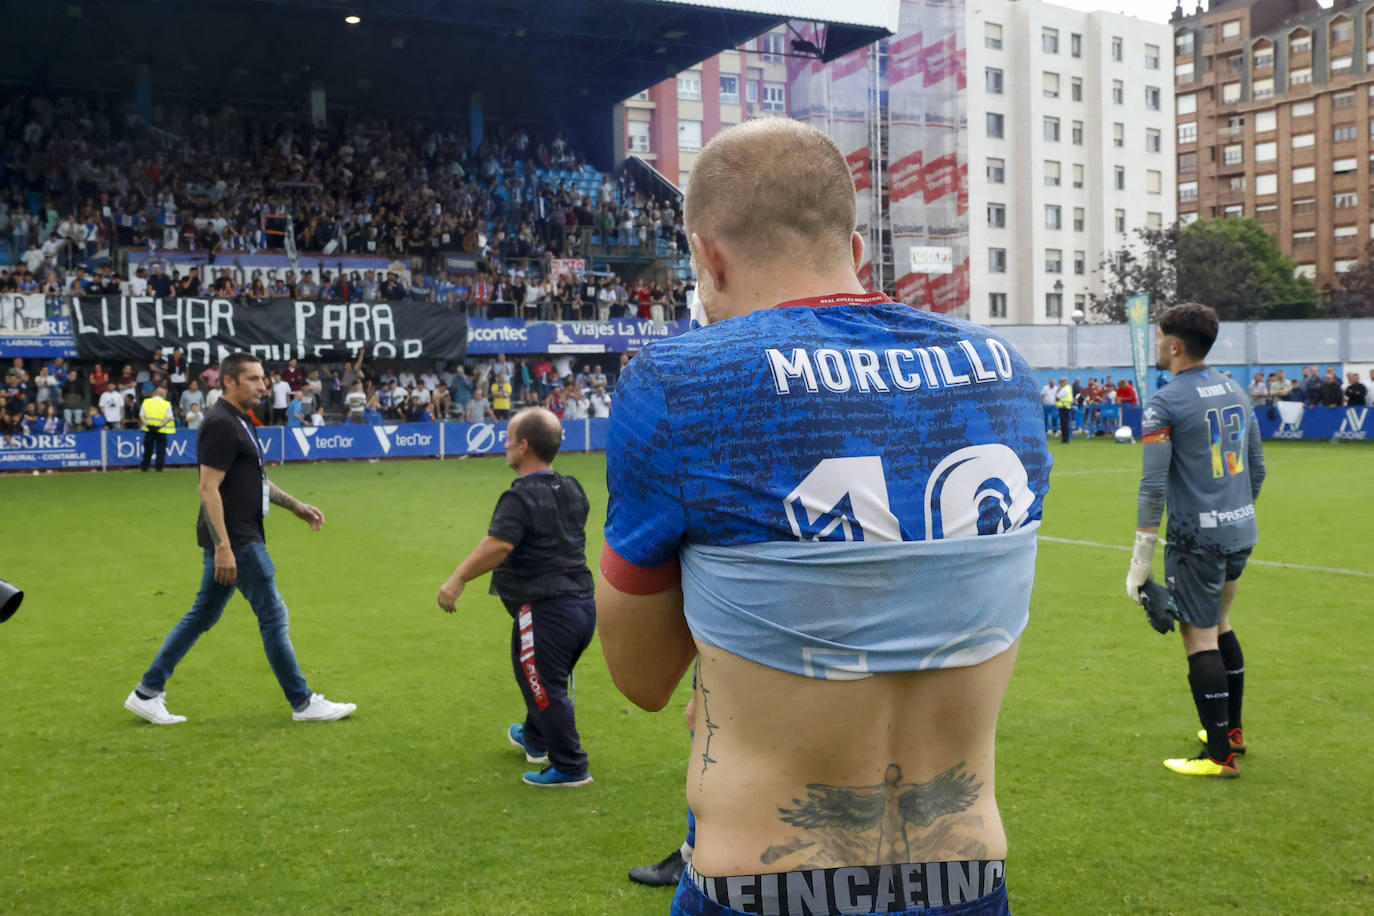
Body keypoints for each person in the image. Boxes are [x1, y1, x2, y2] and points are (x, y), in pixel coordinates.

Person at [596, 119, 1050, 916]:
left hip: (763, 880)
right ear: (857, 248)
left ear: (708, 256)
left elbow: (641, 680)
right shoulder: (1004, 373)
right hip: (965, 877)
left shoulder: (680, 381)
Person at [124, 352, 356, 725]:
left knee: (202, 615)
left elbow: (256, 480)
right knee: (273, 615)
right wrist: (223, 548)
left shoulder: (239, 421)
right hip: (238, 541)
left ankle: (147, 692)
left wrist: (295, 505)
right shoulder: (220, 423)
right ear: (229, 381)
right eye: (254, 379)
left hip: (237, 538)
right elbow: (207, 488)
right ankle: (303, 702)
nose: (263, 385)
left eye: (263, 379)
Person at [1128, 303, 1265, 779]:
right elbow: (1258, 470)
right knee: (1222, 623)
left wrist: (1140, 562)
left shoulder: (1163, 403)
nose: (1157, 343)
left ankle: (1219, 758)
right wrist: (1235, 515)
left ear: (1176, 346)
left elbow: (1153, 487)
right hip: (1240, 530)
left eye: (1159, 336)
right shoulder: (1236, 391)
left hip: (1196, 539)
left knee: (1199, 636)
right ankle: (1231, 733)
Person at [436, 408, 596, 788]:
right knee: (535, 675)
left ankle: (571, 767)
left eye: (508, 438)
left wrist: (457, 579)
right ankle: (535, 737)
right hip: (582, 606)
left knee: (544, 685)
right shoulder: (572, 487)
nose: (504, 445)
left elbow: (499, 545)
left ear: (524, 446)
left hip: (547, 608)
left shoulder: (520, 496)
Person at [139, 384, 176, 472]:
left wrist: (148, 425)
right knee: (161, 450)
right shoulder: (166, 404)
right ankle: (159, 467)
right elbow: (169, 417)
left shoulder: (146, 402)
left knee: (148, 449)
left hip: (149, 430)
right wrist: (159, 426)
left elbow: (141, 415)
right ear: (163, 394)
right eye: (165, 394)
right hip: (161, 430)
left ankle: (145, 467)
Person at [1055, 376, 1074, 443]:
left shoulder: (1064, 389)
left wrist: (1057, 395)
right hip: (1066, 407)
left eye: (1061, 382)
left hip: (1064, 407)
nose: (1060, 383)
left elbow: (1057, 397)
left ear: (1065, 381)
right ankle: (1066, 439)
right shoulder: (1068, 388)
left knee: (1064, 425)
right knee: (1065, 424)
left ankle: (1065, 440)